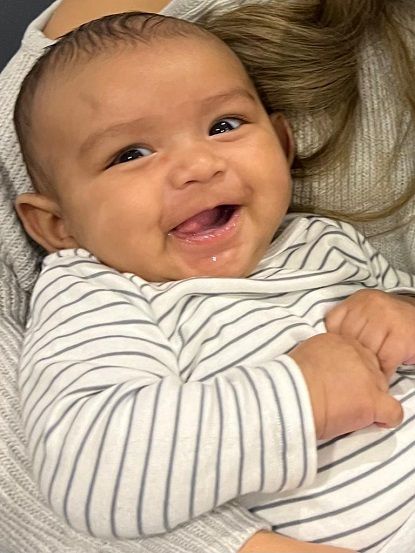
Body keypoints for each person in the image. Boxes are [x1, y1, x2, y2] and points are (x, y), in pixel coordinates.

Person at [1, 1, 414, 553]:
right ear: (58, 225)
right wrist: (300, 397)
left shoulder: (321, 239)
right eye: (130, 154)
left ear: (282, 145)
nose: (199, 166)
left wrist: (403, 310)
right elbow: (87, 470)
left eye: (224, 126)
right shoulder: (96, 295)